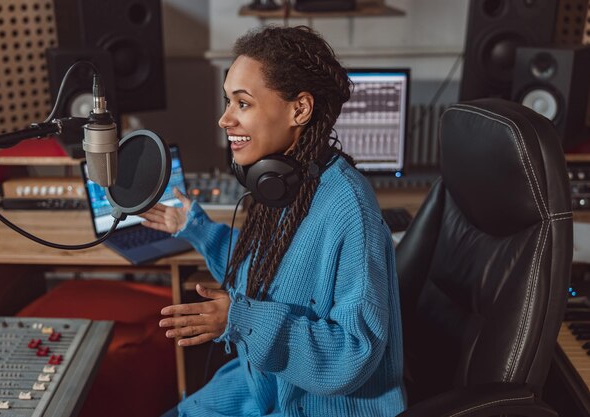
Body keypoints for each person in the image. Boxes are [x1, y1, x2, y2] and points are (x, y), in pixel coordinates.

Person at [141, 25, 406, 417]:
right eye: (227, 101)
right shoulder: (282, 184)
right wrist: (193, 227)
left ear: (299, 108)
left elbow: (352, 354)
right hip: (265, 390)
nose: (224, 119)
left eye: (242, 104)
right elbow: (269, 269)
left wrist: (241, 319)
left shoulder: (349, 209)